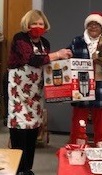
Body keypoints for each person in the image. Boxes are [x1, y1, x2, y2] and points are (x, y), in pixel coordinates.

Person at [7, 9, 72, 175]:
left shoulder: (45, 43)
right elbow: (32, 59)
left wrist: (62, 60)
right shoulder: (20, 38)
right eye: (34, 23)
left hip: (35, 92)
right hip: (19, 92)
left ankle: (28, 168)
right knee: (20, 130)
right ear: (27, 25)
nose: (37, 26)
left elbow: (46, 64)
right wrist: (57, 55)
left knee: (33, 130)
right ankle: (18, 169)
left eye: (40, 23)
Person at [67, 12, 102, 147]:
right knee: (79, 120)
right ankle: (77, 146)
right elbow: (67, 59)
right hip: (81, 86)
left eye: (96, 24)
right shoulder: (77, 42)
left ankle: (100, 146)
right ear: (86, 27)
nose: (93, 27)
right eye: (90, 24)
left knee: (101, 121)